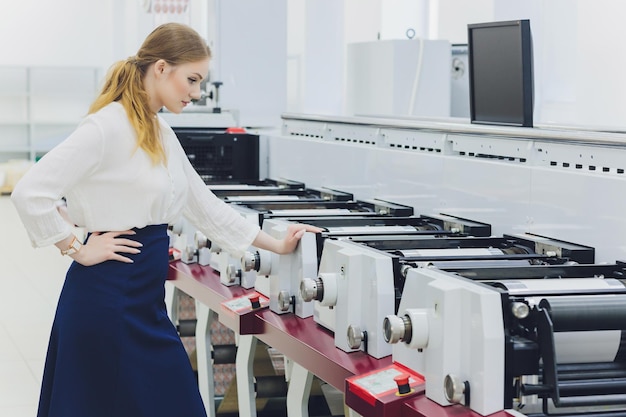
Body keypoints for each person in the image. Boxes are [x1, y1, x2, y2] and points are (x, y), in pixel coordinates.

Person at [11, 22, 319, 417]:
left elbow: (202, 204)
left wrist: (276, 244)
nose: (196, 92)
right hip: (107, 299)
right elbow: (30, 192)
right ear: (160, 68)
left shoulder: (158, 130)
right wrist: (76, 248)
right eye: (191, 79)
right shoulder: (107, 126)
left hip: (143, 302)